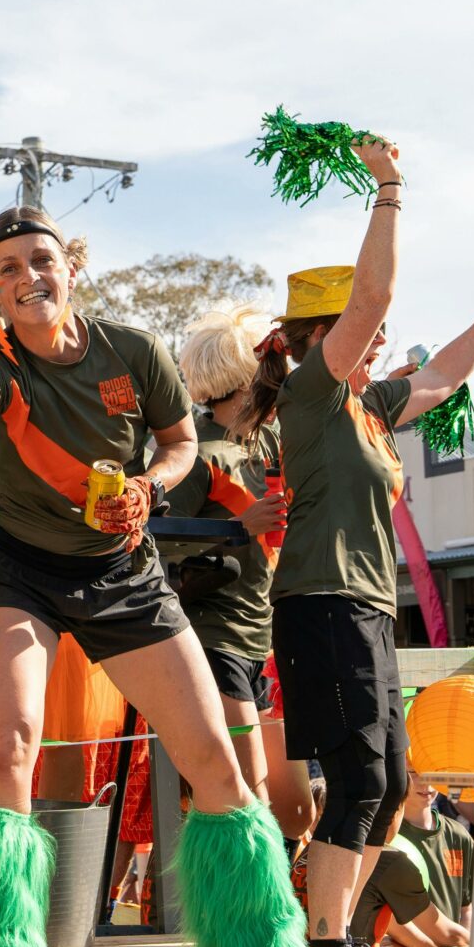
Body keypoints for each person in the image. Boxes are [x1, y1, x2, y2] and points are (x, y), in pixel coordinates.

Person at [0, 207, 324, 947]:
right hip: (19, 573)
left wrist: (148, 486)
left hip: (123, 574)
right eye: (6, 271)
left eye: (40, 260)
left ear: (70, 268)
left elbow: (179, 444)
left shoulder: (133, 349)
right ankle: (1, 946)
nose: (27, 277)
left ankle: (265, 936)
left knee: (211, 753)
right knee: (9, 748)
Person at [242, 136, 474, 947]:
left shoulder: (370, 406)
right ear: (321, 333)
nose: (377, 338)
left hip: (367, 608)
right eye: (359, 330)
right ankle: (327, 940)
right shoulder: (316, 391)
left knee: (394, 784)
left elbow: (442, 376)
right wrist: (390, 188)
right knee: (363, 779)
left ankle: (333, 931)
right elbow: (372, 296)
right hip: (321, 603)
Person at [168, 305, 313, 846]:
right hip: (213, 639)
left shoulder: (270, 443)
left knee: (294, 811)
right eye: (268, 366)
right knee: (245, 795)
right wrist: (236, 526)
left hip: (268, 640)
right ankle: (247, 919)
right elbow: (151, 535)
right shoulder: (195, 451)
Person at [350, 770, 474, 947]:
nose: (426, 782)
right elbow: (391, 920)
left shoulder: (459, 834)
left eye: (434, 772)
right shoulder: (386, 840)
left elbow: (467, 908)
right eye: (414, 773)